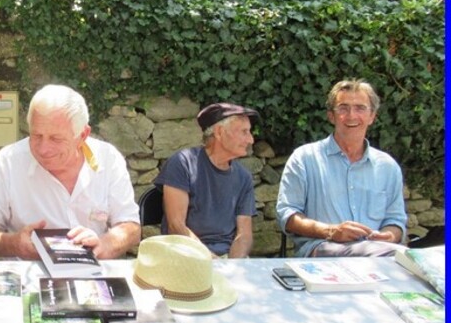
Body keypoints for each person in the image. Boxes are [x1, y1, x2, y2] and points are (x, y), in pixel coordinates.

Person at [0, 84, 141, 260]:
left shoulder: (108, 158)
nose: (44, 149)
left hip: (94, 273)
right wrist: (14, 243)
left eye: (56, 139)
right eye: (36, 136)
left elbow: (131, 227)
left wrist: (103, 245)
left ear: (82, 135)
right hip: (28, 276)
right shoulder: (7, 163)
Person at [276, 79, 407, 257]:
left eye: (360, 108)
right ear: (331, 116)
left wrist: (389, 236)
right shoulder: (305, 158)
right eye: (343, 108)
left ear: (372, 116)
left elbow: (395, 220)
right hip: (323, 251)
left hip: (378, 254)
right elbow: (287, 214)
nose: (352, 115)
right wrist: (331, 231)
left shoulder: (387, 167)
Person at [154, 102, 258, 258]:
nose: (251, 140)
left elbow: (244, 234)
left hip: (227, 259)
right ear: (219, 132)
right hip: (185, 255)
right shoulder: (183, 163)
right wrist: (212, 262)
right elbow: (176, 226)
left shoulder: (243, 177)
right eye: (244, 132)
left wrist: (234, 266)